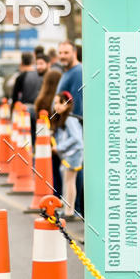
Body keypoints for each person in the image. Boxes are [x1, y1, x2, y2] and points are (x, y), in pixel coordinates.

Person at [51, 91, 83, 221]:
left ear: (68, 104)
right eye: (55, 103)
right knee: (68, 182)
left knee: (69, 182)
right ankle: (67, 208)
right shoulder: (64, 118)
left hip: (73, 154)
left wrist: (59, 147)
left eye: (60, 102)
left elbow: (77, 139)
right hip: (70, 154)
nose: (57, 106)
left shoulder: (69, 119)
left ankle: (69, 211)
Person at [35, 69, 63, 197]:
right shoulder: (58, 101)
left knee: (48, 169)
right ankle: (60, 196)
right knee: (59, 170)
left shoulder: (41, 101)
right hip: (57, 138)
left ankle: (50, 195)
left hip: (44, 140)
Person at [8, 52, 42, 143]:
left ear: (22, 62)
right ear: (32, 61)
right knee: (38, 134)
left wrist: (12, 113)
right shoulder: (39, 75)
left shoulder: (21, 77)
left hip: (25, 110)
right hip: (38, 108)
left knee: (26, 136)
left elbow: (15, 96)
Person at [57, 41, 83, 118]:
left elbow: (77, 102)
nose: (62, 56)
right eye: (60, 53)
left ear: (74, 53)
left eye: (66, 53)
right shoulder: (67, 71)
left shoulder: (78, 72)